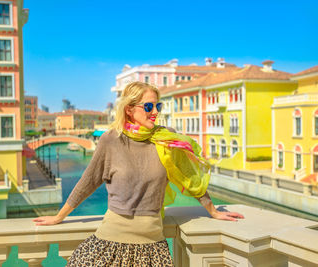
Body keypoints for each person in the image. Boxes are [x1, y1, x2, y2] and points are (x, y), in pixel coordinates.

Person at [33, 81, 244, 266]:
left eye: (158, 106)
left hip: (152, 248)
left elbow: (190, 177)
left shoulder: (166, 140)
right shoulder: (111, 140)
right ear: (129, 109)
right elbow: (88, 181)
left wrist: (213, 210)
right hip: (110, 242)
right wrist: (60, 216)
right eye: (149, 107)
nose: (155, 112)